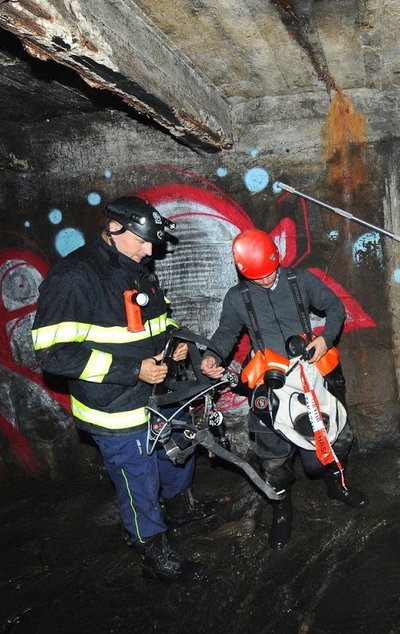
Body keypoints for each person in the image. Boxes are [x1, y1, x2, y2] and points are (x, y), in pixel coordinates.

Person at [31, 195, 212, 583]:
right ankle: (153, 550)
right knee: (138, 478)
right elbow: (53, 355)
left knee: (179, 445)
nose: (150, 251)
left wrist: (174, 340)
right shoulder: (74, 277)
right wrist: (133, 370)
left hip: (157, 391)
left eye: (152, 242)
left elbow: (159, 319)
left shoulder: (137, 269)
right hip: (113, 406)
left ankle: (181, 508)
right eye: (142, 241)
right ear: (114, 230)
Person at [200, 229, 367, 550]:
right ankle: (280, 508)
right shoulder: (239, 297)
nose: (265, 281)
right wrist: (212, 355)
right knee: (273, 457)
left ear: (277, 258)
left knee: (334, 442)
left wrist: (325, 338)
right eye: (257, 277)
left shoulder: (299, 281)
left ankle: (337, 484)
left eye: (269, 273)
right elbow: (226, 333)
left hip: (309, 373)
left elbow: (334, 307)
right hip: (270, 380)